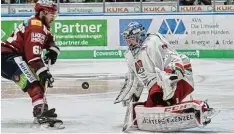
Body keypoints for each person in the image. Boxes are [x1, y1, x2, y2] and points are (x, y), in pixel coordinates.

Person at [114, 22, 217, 132]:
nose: (129, 43)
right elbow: (136, 79)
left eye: (132, 39)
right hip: (157, 85)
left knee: (156, 96)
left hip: (176, 79)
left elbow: (174, 60)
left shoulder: (152, 42)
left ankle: (197, 107)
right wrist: (133, 98)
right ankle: (167, 105)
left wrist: (169, 76)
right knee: (151, 103)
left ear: (140, 36)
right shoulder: (130, 55)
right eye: (128, 40)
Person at [1, 0, 64, 129]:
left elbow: (48, 38)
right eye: (51, 14)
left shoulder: (38, 24)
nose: (53, 17)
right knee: (34, 83)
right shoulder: (37, 27)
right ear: (43, 13)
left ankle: (41, 110)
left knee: (39, 81)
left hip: (12, 58)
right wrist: (43, 71)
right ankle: (40, 113)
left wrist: (53, 49)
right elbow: (33, 57)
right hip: (8, 58)